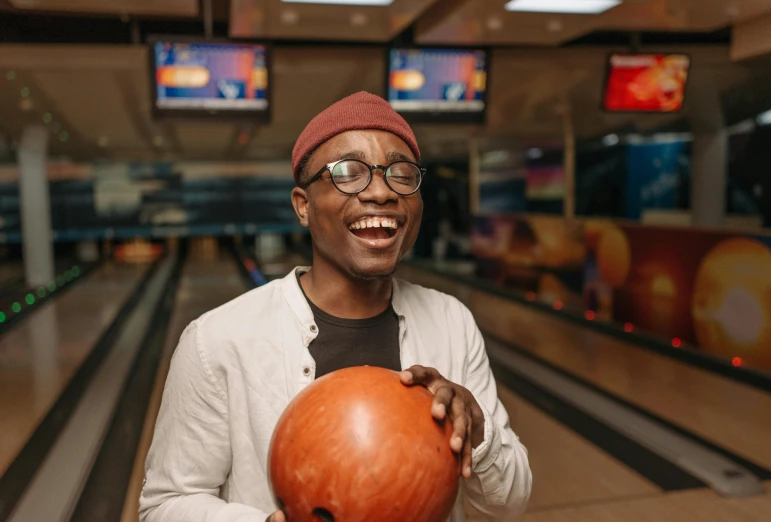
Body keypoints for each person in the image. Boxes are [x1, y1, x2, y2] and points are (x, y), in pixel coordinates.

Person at [139, 91, 532, 522]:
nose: (382, 191)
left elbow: (507, 505)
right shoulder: (216, 341)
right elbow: (166, 505)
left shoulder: (452, 321)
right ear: (303, 206)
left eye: (401, 173)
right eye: (349, 172)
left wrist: (479, 432)